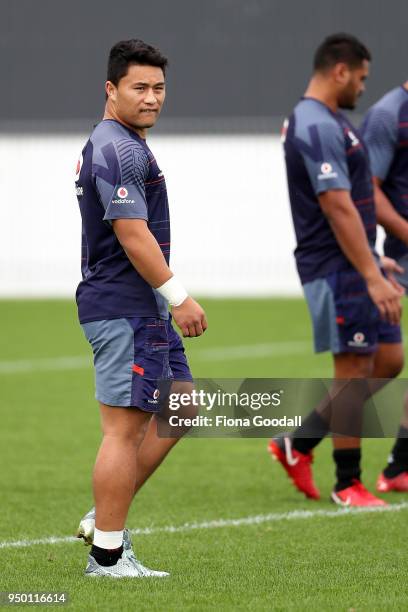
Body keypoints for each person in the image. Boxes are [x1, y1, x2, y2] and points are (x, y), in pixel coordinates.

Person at [74, 39, 207, 578]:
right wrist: (180, 296)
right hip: (126, 306)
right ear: (111, 90)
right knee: (123, 431)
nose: (152, 98)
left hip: (140, 307)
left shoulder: (125, 142)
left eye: (159, 88)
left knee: (183, 407)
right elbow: (132, 234)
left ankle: (104, 514)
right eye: (139, 88)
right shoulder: (117, 147)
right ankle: (107, 555)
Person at [269, 33, 404, 506]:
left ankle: (298, 442)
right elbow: (336, 204)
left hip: (352, 260)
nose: (364, 88)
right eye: (362, 78)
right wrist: (369, 272)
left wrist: (373, 256)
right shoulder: (315, 123)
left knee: (388, 361)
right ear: (340, 71)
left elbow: (351, 207)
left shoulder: (330, 121)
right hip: (335, 267)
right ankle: (348, 483)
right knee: (353, 370)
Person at [361, 82, 408, 492]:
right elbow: (368, 191)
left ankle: (399, 466)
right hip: (398, 255)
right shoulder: (388, 114)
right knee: (384, 362)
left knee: (390, 363)